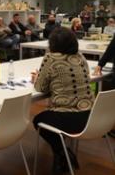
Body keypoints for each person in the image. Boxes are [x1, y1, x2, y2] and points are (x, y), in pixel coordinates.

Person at [32, 27, 94, 174]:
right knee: (48, 118)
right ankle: (63, 155)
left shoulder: (50, 58)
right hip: (91, 116)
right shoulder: (80, 57)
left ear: (52, 44)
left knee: (38, 120)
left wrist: (36, 78)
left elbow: (40, 88)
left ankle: (62, 152)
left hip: (68, 117)